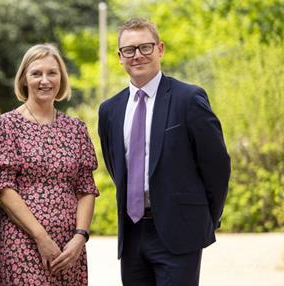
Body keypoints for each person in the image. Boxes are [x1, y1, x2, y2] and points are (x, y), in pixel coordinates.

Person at [98, 18, 231, 285]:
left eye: (145, 47)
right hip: (132, 234)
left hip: (179, 232)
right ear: (119, 57)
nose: (138, 55)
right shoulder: (110, 110)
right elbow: (115, 167)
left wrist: (205, 216)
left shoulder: (188, 99)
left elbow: (217, 166)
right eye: (129, 50)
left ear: (160, 49)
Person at [0, 43, 99, 285]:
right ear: (24, 79)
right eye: (36, 73)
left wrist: (80, 237)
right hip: (22, 242)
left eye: (52, 73)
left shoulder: (75, 128)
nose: (45, 80)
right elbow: (4, 188)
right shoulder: (6, 125)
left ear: (61, 78)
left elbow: (86, 188)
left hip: (70, 246)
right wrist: (41, 237)